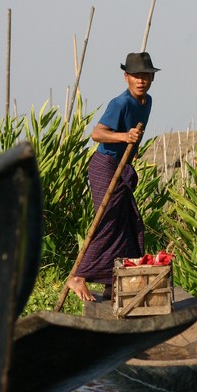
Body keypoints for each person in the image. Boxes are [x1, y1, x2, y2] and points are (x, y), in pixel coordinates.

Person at [67, 51, 160, 302]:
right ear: (126, 77)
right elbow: (97, 134)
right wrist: (124, 137)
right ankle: (77, 276)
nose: (141, 80)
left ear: (151, 79)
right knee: (107, 220)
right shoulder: (120, 103)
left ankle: (113, 282)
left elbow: (135, 133)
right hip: (104, 164)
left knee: (128, 223)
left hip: (121, 165)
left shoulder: (147, 102)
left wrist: (133, 150)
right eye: (136, 76)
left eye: (146, 76)